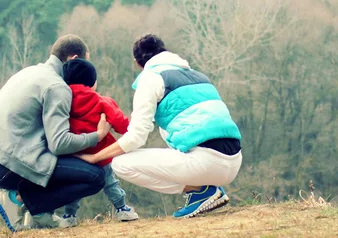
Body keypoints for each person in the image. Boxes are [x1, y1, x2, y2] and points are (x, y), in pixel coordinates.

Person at [77, 34, 242, 219]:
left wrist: (94, 157)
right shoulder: (199, 76)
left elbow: (136, 137)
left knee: (121, 164)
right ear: (164, 51)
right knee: (167, 129)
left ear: (137, 63)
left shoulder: (150, 78)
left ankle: (199, 191)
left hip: (205, 163)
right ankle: (202, 190)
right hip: (234, 162)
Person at [0, 35, 110, 231]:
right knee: (96, 177)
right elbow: (59, 143)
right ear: (73, 60)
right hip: (5, 166)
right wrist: (96, 137)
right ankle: (20, 201)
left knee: (66, 165)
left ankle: (37, 213)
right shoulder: (57, 86)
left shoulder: (30, 72)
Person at [58, 58, 138, 227]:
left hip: (74, 154)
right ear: (92, 82)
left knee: (75, 185)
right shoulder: (102, 101)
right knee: (110, 183)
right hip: (101, 154)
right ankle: (122, 209)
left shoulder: (62, 103)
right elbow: (122, 125)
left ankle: (69, 216)